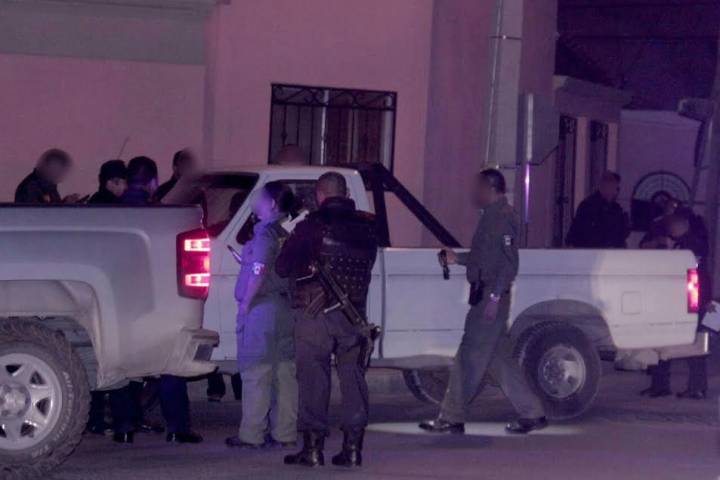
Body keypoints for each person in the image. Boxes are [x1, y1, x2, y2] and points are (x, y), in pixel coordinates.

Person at [419, 169, 547, 435]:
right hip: (486, 295)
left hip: (490, 298)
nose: (473, 192)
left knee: (468, 356)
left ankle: (451, 417)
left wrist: (495, 298)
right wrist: (457, 259)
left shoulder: (502, 217)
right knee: (499, 360)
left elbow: (509, 264)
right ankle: (533, 413)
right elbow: (484, 258)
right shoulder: (490, 216)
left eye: (478, 187)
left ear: (490, 188)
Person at [276, 172, 378, 468]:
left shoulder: (311, 226)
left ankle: (313, 449)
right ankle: (353, 449)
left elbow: (283, 267)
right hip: (354, 314)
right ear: (346, 194)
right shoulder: (368, 227)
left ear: (320, 194)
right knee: (353, 380)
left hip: (315, 314)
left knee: (313, 379)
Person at [121, 156, 202, 444]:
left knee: (123, 367)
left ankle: (124, 428)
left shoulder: (113, 211)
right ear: (153, 181)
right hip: (157, 299)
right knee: (170, 363)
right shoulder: (158, 213)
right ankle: (177, 428)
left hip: (121, 301)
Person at [225, 182, 298, 449]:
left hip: (263, 309)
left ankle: (251, 434)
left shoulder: (265, 233)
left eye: (260, 196)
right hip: (284, 309)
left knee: (256, 372)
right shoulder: (283, 234)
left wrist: (246, 303)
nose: (253, 199)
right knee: (285, 373)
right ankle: (285, 433)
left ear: (272, 204)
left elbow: (259, 268)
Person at [640, 208, 711, 399]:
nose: (670, 230)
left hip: (686, 301)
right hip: (677, 300)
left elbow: (693, 277)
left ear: (681, 225)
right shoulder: (682, 244)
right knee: (665, 342)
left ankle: (694, 387)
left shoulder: (691, 245)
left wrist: (694, 304)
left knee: (691, 344)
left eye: (672, 226)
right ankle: (662, 385)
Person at [565, 171, 628, 248]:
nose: (616, 192)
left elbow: (621, 233)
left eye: (617, 189)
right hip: (590, 250)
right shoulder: (588, 206)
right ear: (606, 187)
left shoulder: (616, 209)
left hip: (609, 251)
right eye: (615, 188)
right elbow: (579, 232)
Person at [15, 148, 81, 204]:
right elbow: (37, 212)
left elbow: (52, 209)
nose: (59, 173)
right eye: (57, 169)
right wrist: (65, 205)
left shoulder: (48, 187)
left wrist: (65, 203)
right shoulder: (32, 187)